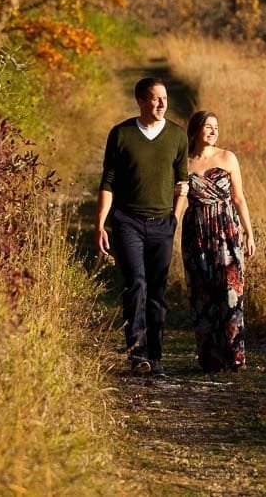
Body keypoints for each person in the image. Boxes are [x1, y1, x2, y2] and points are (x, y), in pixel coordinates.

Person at [97, 77, 189, 377]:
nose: (162, 103)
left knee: (157, 290)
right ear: (141, 101)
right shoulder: (121, 134)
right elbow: (108, 181)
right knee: (136, 283)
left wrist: (174, 217)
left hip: (162, 223)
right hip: (128, 222)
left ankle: (157, 355)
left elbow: (182, 182)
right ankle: (139, 356)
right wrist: (100, 224)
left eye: (164, 98)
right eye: (154, 98)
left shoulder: (177, 136)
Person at [180, 110, 256, 373]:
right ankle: (210, 358)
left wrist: (249, 232)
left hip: (227, 229)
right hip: (196, 232)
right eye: (208, 127)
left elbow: (239, 198)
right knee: (203, 292)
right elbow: (177, 200)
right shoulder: (184, 162)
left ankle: (234, 355)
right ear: (195, 130)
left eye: (216, 127)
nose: (213, 131)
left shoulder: (228, 158)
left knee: (230, 291)